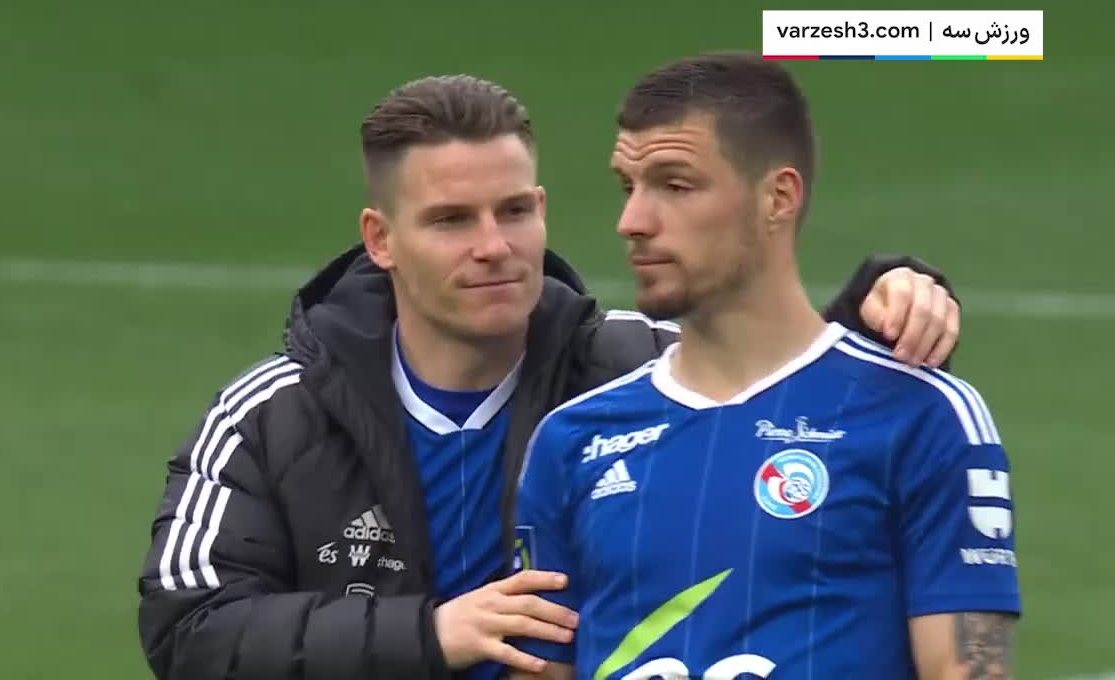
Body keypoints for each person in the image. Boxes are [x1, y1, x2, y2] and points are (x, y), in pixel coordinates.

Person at [135, 73, 966, 680]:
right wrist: (431, 634)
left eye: (514, 211)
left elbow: (795, 385)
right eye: (451, 220)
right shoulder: (274, 415)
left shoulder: (641, 365)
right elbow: (192, 628)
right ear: (381, 240)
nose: (494, 246)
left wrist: (887, 302)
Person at [511, 53, 1018, 680]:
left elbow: (966, 670)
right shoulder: (572, 440)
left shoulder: (920, 415)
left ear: (777, 197)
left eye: (675, 186)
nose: (632, 222)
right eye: (628, 187)